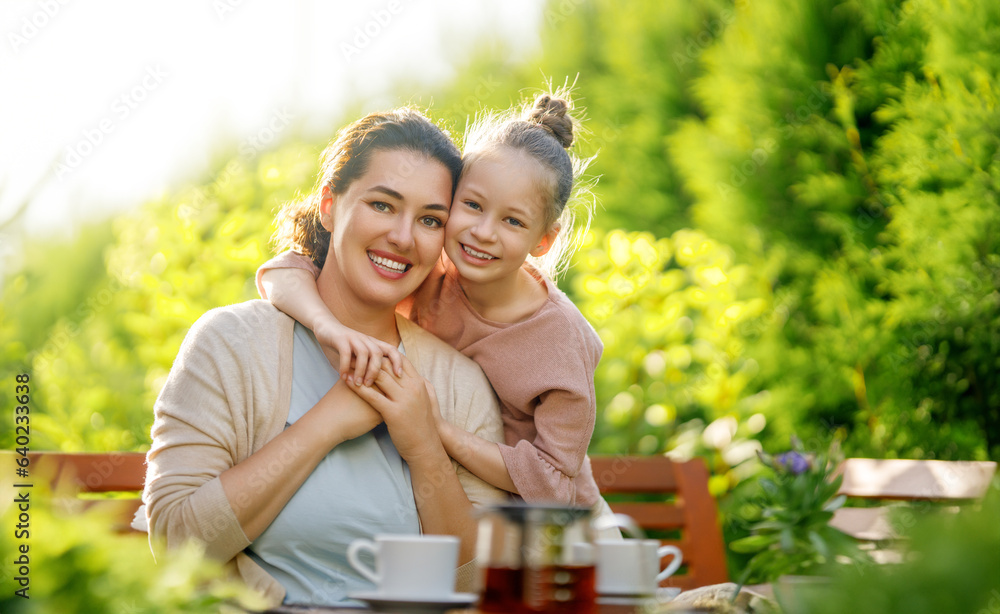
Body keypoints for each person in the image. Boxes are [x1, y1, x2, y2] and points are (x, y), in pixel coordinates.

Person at [143, 108, 509, 608]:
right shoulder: (231, 343)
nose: (403, 237)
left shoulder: (458, 383)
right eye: (382, 205)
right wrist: (326, 424)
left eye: (429, 220)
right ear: (330, 205)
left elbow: (481, 589)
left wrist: (425, 448)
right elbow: (177, 543)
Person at [257, 92, 612, 513]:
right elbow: (284, 270)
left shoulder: (561, 341)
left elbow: (553, 486)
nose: (482, 232)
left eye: (512, 221)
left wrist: (431, 428)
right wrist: (327, 326)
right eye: (472, 205)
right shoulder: (431, 270)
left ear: (543, 240)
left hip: (562, 536)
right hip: (462, 500)